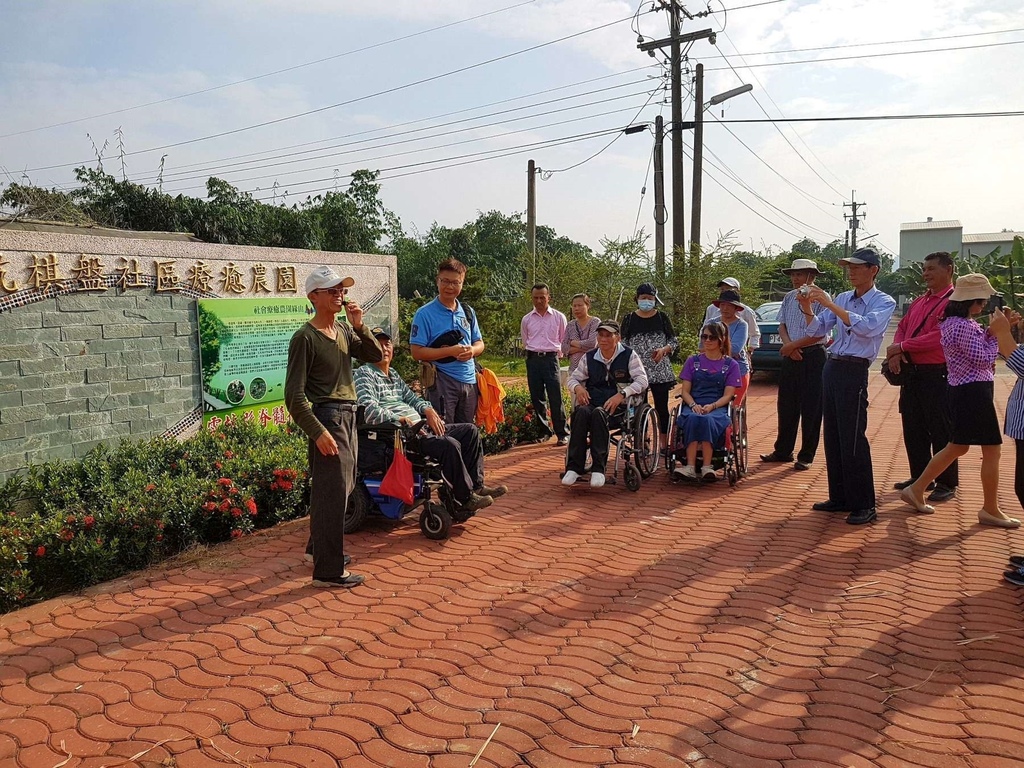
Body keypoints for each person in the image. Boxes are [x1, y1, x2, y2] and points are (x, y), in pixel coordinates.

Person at [285, 266, 383, 588]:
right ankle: (328, 571)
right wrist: (318, 432)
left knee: (341, 488)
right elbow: (294, 397)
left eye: (341, 289)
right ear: (314, 296)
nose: (339, 294)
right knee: (332, 494)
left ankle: (318, 550)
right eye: (332, 290)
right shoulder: (305, 338)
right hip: (328, 418)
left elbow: (374, 355)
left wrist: (360, 325)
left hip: (348, 416)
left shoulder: (342, 330)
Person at [900, 275, 1020, 527]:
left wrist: (992, 331)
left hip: (966, 390)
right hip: (973, 392)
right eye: (983, 299)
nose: (986, 303)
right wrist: (1000, 336)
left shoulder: (957, 323)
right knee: (990, 450)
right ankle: (989, 508)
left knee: (958, 446)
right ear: (973, 302)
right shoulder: (962, 326)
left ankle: (918, 488)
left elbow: (978, 347)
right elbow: (982, 358)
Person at [354, 327, 507, 514]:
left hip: (421, 427)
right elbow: (367, 408)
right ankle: (465, 498)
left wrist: (427, 409)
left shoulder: (393, 374)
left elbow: (412, 399)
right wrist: (399, 419)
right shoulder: (364, 374)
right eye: (378, 344)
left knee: (470, 431)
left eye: (387, 344)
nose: (384, 348)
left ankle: (476, 486)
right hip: (401, 436)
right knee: (448, 444)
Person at [799, 247, 896, 526]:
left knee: (853, 437)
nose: (851, 271)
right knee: (833, 435)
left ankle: (864, 504)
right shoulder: (843, 298)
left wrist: (828, 304)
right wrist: (808, 307)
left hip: (854, 369)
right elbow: (818, 330)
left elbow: (868, 328)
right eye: (849, 267)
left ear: (873, 269)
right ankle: (839, 496)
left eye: (857, 267)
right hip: (833, 366)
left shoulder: (883, 301)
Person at [885, 251, 957, 502]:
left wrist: (903, 347)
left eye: (931, 269)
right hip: (912, 376)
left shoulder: (953, 302)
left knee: (941, 430)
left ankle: (946, 482)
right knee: (913, 428)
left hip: (937, 375)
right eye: (924, 269)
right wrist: (895, 351)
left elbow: (940, 337)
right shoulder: (919, 301)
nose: (926, 273)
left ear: (948, 270)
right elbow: (902, 327)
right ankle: (919, 478)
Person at [760, 258, 829, 471]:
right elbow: (782, 325)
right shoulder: (789, 297)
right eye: (793, 274)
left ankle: (806, 455)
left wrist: (793, 347)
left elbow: (820, 332)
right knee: (787, 405)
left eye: (799, 274)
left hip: (814, 355)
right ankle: (783, 450)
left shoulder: (823, 298)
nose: (795, 278)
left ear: (811, 275)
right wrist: (789, 346)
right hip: (791, 355)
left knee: (812, 407)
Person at [563, 320, 648, 488]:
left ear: (618, 338)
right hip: (594, 401)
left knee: (598, 414)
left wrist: (622, 394)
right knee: (580, 413)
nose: (603, 339)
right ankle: (574, 468)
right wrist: (578, 388)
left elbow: (642, 380)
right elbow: (572, 378)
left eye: (608, 335)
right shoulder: (589, 357)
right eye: (600, 335)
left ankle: (598, 469)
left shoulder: (629, 355)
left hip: (620, 408)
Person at [410, 258, 484, 424]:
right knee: (444, 433)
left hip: (469, 381)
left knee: (467, 431)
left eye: (455, 282)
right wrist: (450, 351)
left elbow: (479, 343)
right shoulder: (424, 314)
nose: (450, 287)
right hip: (441, 382)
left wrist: (472, 351)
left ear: (462, 284)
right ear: (437, 281)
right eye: (445, 281)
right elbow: (416, 352)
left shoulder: (467, 311)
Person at [673, 321, 742, 482]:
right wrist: (693, 405)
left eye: (712, 337)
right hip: (694, 403)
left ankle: (707, 466)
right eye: (704, 336)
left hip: (718, 406)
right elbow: (685, 391)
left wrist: (713, 406)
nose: (707, 340)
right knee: (693, 417)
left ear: (721, 340)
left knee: (708, 419)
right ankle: (689, 466)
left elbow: (729, 394)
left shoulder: (731, 365)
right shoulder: (693, 361)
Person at [620, 282, 678, 449]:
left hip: (659, 370)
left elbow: (673, 341)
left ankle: (663, 444)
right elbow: (623, 343)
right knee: (638, 408)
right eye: (643, 298)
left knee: (661, 407)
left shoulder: (662, 317)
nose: (646, 301)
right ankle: (642, 441)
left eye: (650, 298)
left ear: (655, 299)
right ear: (637, 299)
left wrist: (664, 349)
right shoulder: (629, 318)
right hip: (637, 371)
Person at [521, 283, 569, 445]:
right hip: (533, 359)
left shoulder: (558, 317)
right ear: (532, 298)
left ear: (549, 297)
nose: (539, 300)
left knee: (556, 396)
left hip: (550, 359)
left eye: (542, 297)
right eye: (536, 297)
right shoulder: (527, 319)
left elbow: (563, 339)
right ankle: (544, 431)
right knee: (537, 397)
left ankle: (562, 432)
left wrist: (557, 356)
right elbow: (525, 340)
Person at [708, 290, 750, 404]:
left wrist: (713, 348)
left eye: (729, 305)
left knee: (732, 408)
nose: (725, 308)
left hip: (737, 370)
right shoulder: (711, 323)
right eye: (722, 305)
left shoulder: (741, 325)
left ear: (736, 308)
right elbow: (702, 346)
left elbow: (735, 349)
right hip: (712, 370)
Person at [704, 277, 761, 355]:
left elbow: (754, 333)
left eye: (729, 289)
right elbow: (704, 332)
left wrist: (749, 351)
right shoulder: (711, 309)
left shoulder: (747, 313)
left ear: (737, 291)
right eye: (722, 289)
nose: (725, 308)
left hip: (737, 356)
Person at [561, 293, 600, 377]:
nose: (576, 308)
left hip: (592, 368)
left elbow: (592, 343)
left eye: (580, 305)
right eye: (574, 306)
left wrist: (573, 343)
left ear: (588, 306)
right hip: (574, 371)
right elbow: (564, 347)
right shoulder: (571, 325)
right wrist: (585, 348)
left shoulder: (595, 322)